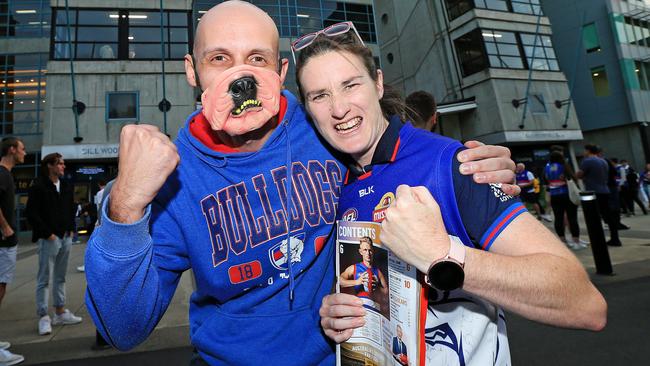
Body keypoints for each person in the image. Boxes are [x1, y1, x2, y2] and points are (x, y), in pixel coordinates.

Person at [84, 2, 519, 365]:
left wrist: (471, 166)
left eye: (257, 59)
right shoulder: (173, 178)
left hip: (342, 355)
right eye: (220, 59)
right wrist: (125, 206)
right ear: (191, 70)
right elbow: (122, 328)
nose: (241, 78)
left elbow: (395, 148)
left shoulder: (324, 128)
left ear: (281, 68)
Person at [293, 22, 606, 365]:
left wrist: (442, 255)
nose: (338, 108)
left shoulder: (450, 163)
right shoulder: (333, 183)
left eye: (350, 85)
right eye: (319, 95)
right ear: (308, 108)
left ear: (378, 83)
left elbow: (585, 304)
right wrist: (339, 311)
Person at [26, 153, 83, 336]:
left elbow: (70, 208)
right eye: (60, 164)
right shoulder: (39, 186)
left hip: (66, 236)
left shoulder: (66, 185)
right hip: (49, 238)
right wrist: (47, 233)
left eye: (64, 164)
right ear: (50, 165)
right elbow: (32, 213)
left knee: (60, 276)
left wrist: (72, 229)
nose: (63, 167)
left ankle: (60, 312)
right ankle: (43, 317)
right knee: (44, 279)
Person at [0, 137, 26, 366]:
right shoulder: (1, 173)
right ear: (11, 150)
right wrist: (5, 227)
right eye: (22, 149)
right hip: (3, 243)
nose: (24, 153)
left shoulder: (6, 174)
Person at [577, 144, 621, 246]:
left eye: (585, 150)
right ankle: (615, 238)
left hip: (593, 192)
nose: (584, 153)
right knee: (608, 215)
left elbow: (579, 175)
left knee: (594, 217)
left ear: (588, 151)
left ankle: (598, 240)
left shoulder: (587, 161)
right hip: (605, 190)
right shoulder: (603, 161)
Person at [543, 151, 588, 249]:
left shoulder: (546, 167)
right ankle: (576, 241)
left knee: (558, 218)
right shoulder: (563, 165)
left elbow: (546, 180)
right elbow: (572, 177)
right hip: (566, 194)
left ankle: (563, 241)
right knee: (572, 218)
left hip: (554, 195)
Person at [339, 236, 387, 310]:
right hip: (360, 306)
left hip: (374, 307)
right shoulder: (354, 268)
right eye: (365, 250)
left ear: (373, 251)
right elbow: (339, 281)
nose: (368, 253)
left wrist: (377, 288)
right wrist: (357, 282)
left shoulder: (377, 271)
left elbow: (387, 291)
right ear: (361, 252)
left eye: (370, 250)